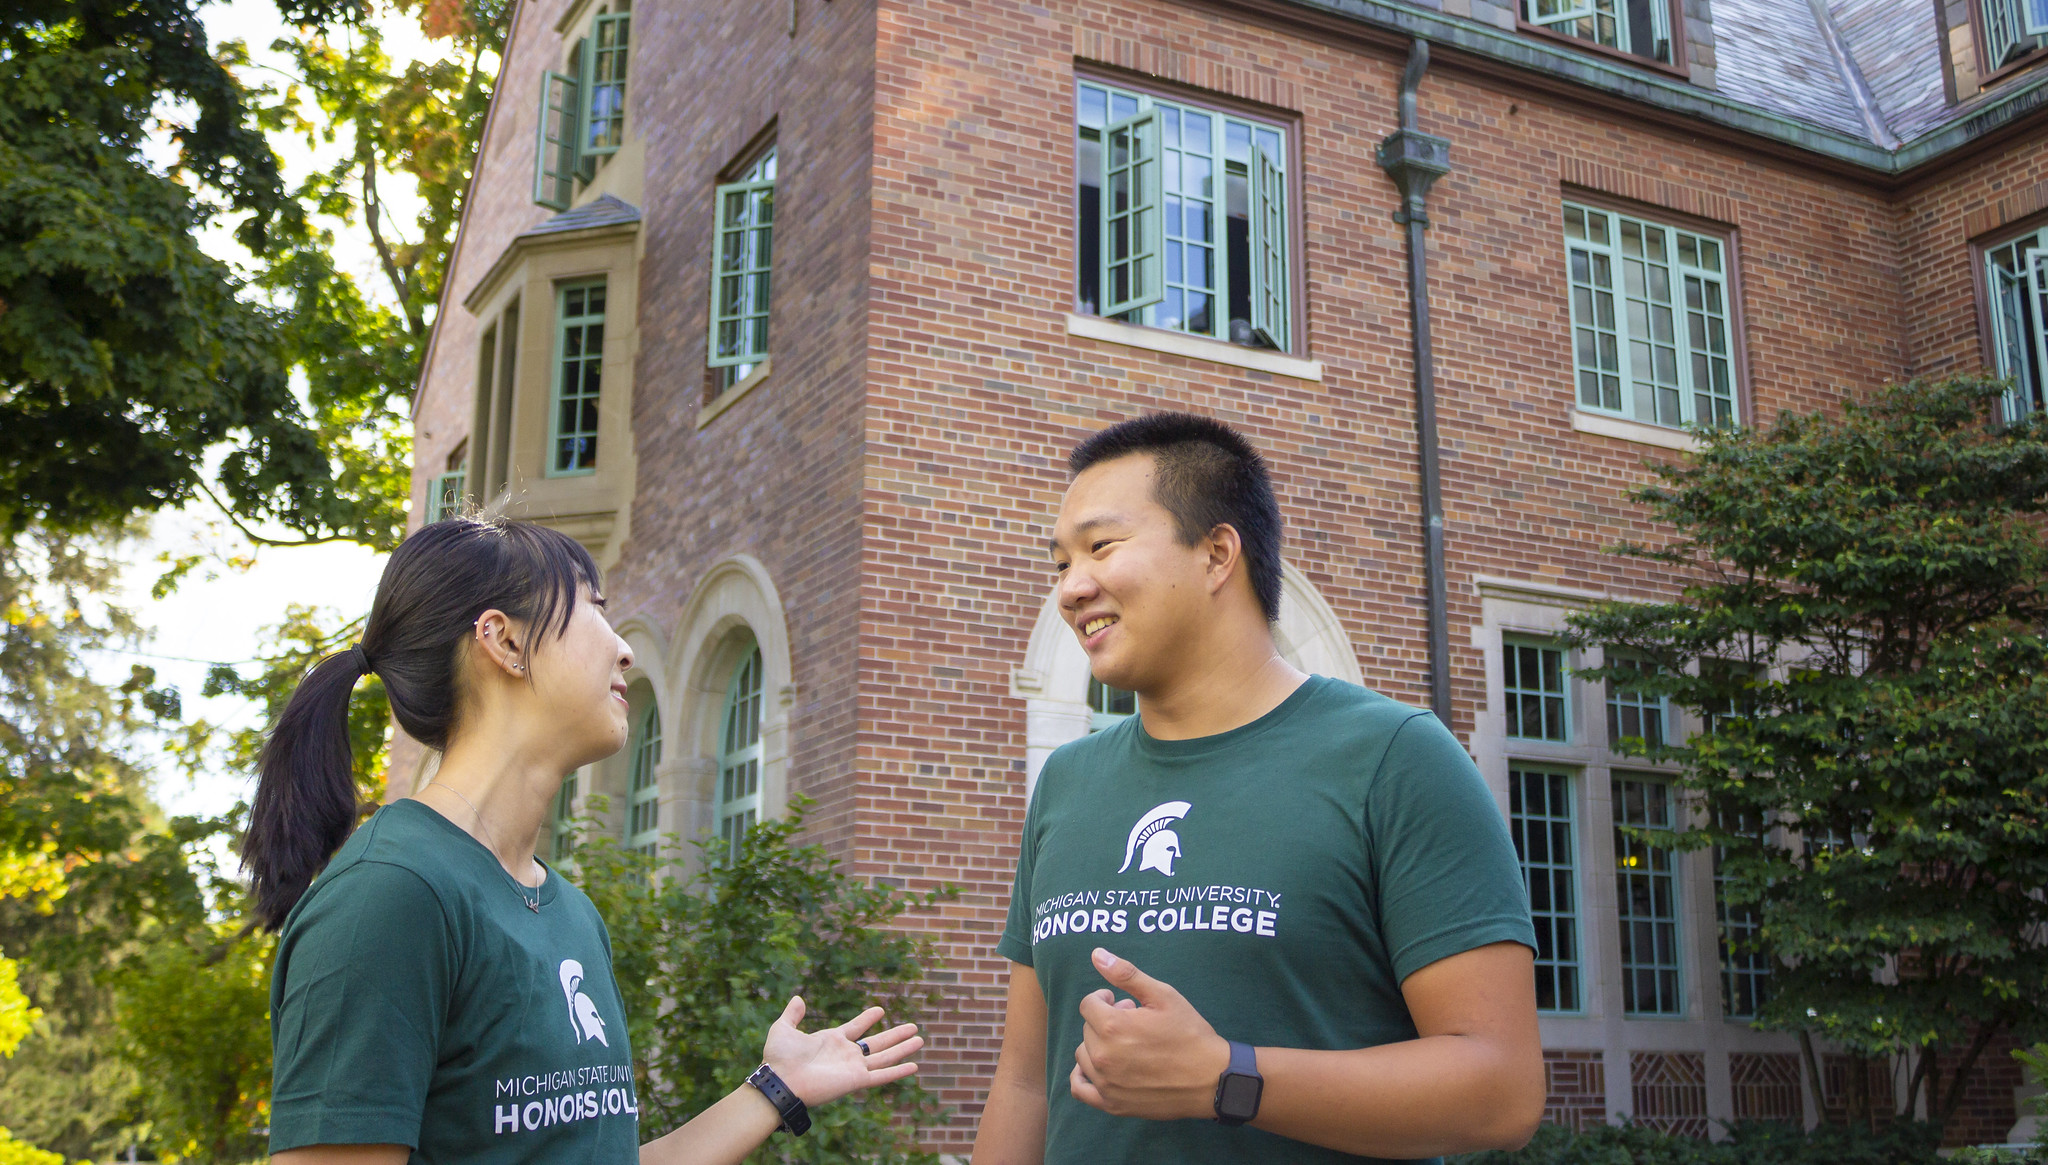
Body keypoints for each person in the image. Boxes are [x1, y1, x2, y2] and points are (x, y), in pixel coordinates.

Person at [244, 516, 922, 1164]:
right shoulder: (387, 900)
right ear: (504, 641)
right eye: (593, 607)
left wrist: (776, 1089)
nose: (622, 644)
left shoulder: (569, 912)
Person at [972, 414, 1545, 1165]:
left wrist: (1227, 1077)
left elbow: (1500, 1090)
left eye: (1101, 546)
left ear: (1216, 554)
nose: (1072, 588)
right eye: (1060, 563)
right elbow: (1023, 1083)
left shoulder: (1394, 758)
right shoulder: (1067, 783)